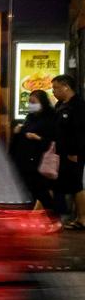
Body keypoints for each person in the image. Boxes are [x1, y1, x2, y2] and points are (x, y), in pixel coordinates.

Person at [10, 89, 58, 217]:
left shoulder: (50, 118)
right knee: (34, 189)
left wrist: (38, 138)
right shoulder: (30, 117)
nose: (30, 105)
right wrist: (18, 131)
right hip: (25, 159)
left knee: (40, 189)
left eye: (33, 102)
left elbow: (53, 139)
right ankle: (44, 214)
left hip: (39, 160)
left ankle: (53, 216)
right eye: (29, 102)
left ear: (42, 102)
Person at [53, 74, 85, 228]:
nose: (53, 91)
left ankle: (82, 218)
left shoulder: (78, 106)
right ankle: (64, 216)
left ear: (66, 87)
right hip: (60, 153)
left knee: (76, 185)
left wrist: (74, 153)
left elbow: (79, 132)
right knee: (61, 184)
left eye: (56, 88)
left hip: (74, 154)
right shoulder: (59, 105)